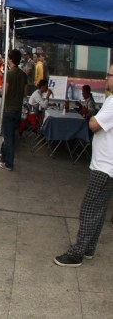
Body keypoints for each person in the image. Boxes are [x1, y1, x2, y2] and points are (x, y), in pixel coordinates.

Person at [53, 64, 113, 267]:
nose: (106, 78)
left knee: (88, 209)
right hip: (108, 166)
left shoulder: (112, 102)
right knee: (100, 209)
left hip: (104, 166)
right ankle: (89, 247)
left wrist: (94, 118)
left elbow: (94, 125)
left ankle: (77, 253)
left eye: (110, 75)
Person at [0, 49, 27, 172]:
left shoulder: (9, 74)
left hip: (8, 108)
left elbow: (5, 92)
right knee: (11, 136)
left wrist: (0, 89)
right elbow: (25, 93)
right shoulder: (23, 75)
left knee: (8, 136)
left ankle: (8, 163)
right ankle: (3, 156)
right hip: (18, 109)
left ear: (11, 59)